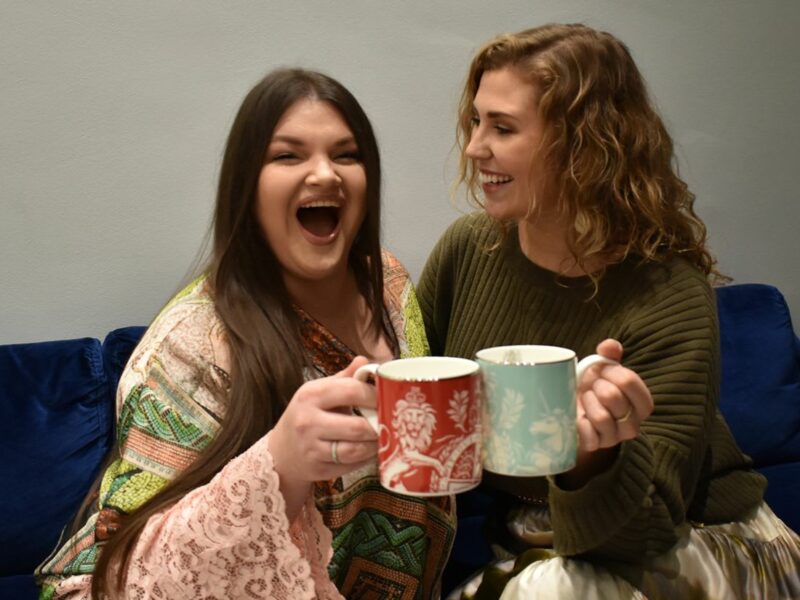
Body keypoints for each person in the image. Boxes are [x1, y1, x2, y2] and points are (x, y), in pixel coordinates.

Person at [36, 68, 455, 599]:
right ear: (246, 188)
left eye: (347, 155)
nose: (325, 174)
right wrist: (280, 464)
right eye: (288, 155)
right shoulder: (188, 350)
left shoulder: (390, 285)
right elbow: (123, 578)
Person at [418, 23, 800, 599]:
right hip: (540, 548)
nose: (474, 147)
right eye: (476, 121)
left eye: (502, 127)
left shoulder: (670, 295)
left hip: (701, 542)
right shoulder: (468, 250)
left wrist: (593, 461)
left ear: (580, 147)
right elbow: (420, 396)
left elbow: (647, 532)